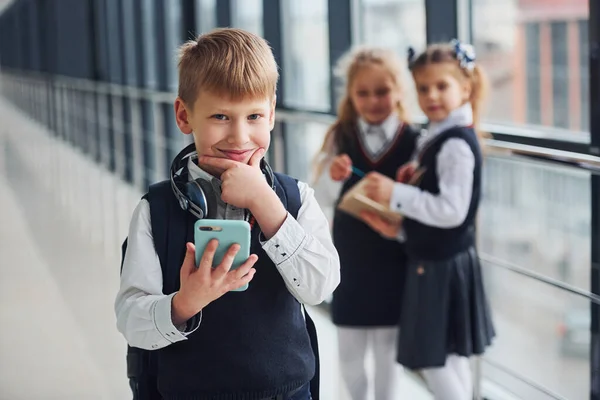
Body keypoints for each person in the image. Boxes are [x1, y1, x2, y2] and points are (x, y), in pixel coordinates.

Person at [115, 28, 340, 400]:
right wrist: (184, 303)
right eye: (221, 116)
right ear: (184, 116)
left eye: (253, 116)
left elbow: (319, 288)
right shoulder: (155, 210)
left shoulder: (295, 198)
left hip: (286, 391)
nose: (239, 136)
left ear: (271, 115)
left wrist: (268, 207)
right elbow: (130, 317)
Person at [361, 40, 496, 400]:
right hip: (442, 260)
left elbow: (452, 210)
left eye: (442, 86)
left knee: (435, 360)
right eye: (423, 88)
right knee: (450, 358)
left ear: (465, 88)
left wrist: (395, 195)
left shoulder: (454, 143)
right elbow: (440, 200)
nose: (431, 96)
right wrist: (403, 228)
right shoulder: (439, 135)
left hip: (439, 266)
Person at [312, 46, 418, 400]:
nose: (373, 101)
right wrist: (333, 175)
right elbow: (320, 199)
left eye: (382, 91)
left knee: (388, 357)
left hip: (394, 261)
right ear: (351, 95)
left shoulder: (416, 141)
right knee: (350, 357)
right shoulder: (340, 136)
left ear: (399, 91)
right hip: (350, 261)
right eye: (363, 93)